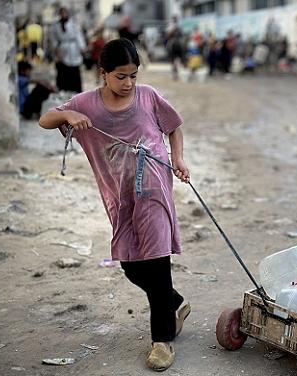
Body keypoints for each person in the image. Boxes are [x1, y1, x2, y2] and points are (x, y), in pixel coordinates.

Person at [38, 38, 191, 372]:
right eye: (121, 76)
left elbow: (175, 126)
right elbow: (45, 120)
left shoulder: (148, 96)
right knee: (131, 264)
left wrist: (177, 158)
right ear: (103, 72)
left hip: (153, 188)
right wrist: (69, 113)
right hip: (119, 196)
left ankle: (161, 341)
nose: (129, 83)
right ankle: (174, 303)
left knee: (155, 260)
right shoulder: (87, 104)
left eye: (134, 75)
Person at [50, 7, 86, 93]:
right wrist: (56, 49)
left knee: (74, 69)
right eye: (62, 13)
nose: (63, 15)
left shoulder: (73, 24)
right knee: (63, 69)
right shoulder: (56, 26)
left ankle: (76, 90)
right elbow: (54, 39)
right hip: (63, 47)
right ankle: (63, 89)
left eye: (65, 13)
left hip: (73, 48)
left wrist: (82, 47)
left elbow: (78, 36)